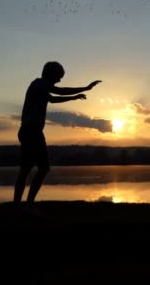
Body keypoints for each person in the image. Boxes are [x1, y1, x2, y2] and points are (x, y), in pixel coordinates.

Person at [13, 61, 101, 209]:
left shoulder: (39, 86)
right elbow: (59, 91)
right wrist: (86, 88)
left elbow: (53, 99)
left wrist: (74, 98)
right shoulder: (40, 84)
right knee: (42, 168)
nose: (59, 79)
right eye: (58, 76)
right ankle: (26, 205)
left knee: (27, 169)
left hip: (29, 131)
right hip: (32, 132)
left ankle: (20, 206)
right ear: (51, 74)